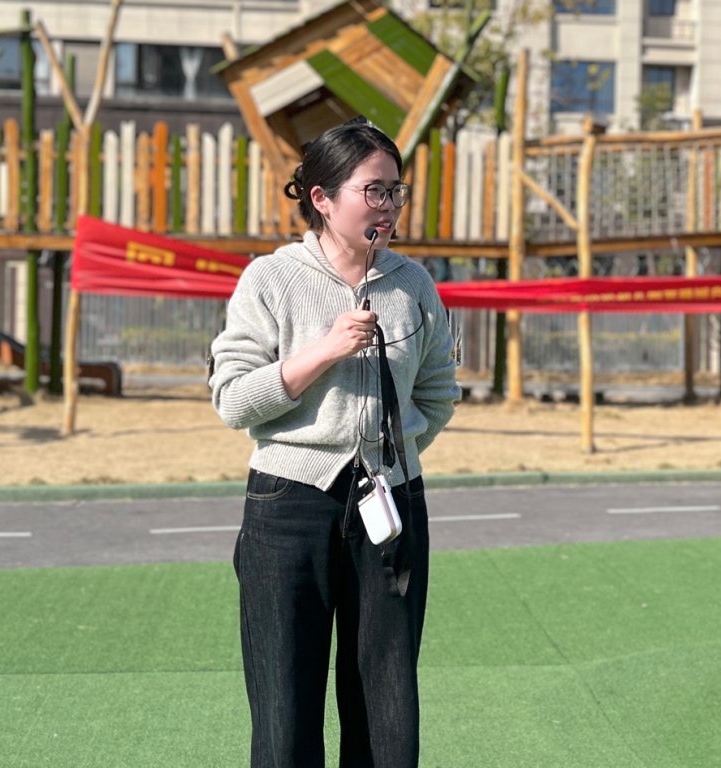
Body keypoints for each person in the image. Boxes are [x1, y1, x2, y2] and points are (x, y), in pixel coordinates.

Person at [208, 119, 460, 767]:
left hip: (392, 505)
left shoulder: (414, 286)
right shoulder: (271, 279)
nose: (389, 205)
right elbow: (233, 400)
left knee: (387, 704)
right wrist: (324, 351)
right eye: (373, 190)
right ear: (321, 198)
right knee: (284, 706)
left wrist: (390, 458)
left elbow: (438, 395)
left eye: (396, 190)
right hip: (288, 504)